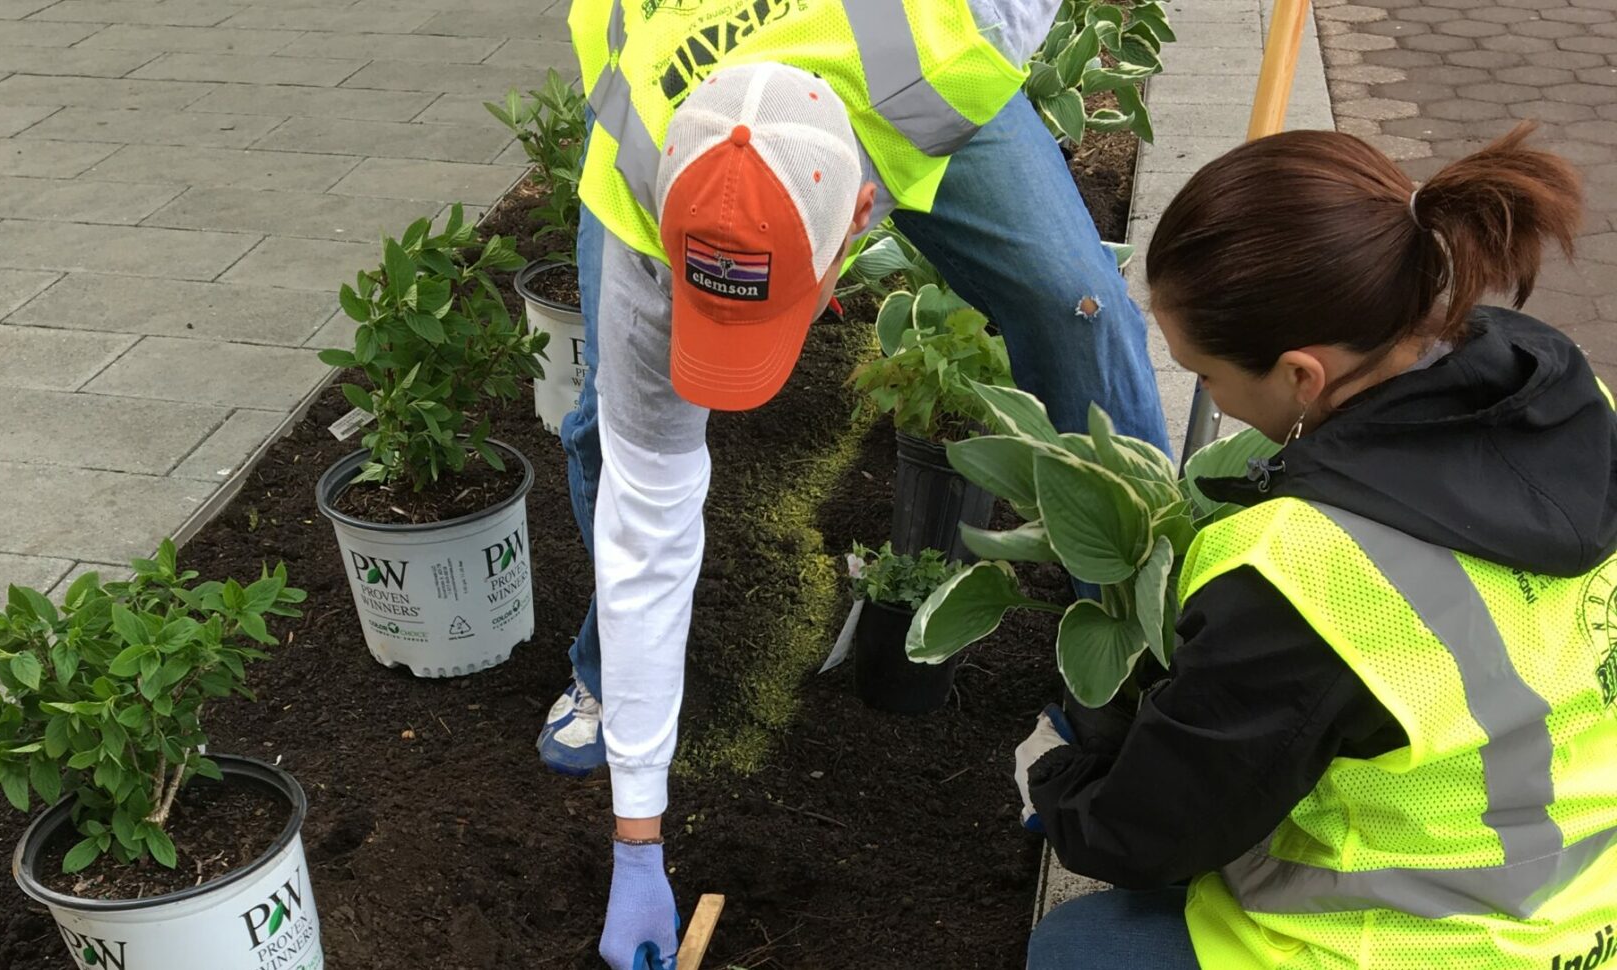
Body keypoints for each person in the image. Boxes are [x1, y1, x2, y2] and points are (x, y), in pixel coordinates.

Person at [542, 2, 1172, 967]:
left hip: (893, 76)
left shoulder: (963, 35)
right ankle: (603, 674)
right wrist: (637, 840)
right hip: (689, 80)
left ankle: (1135, 689)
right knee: (609, 433)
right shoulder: (640, 168)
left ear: (862, 228)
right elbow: (650, 522)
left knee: (1078, 311)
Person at [1017, 122, 1617, 970]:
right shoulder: (1562, 394)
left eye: (1210, 377)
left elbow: (1150, 837)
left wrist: (1055, 778)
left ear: (1303, 376)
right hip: (1594, 891)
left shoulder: (1311, 570)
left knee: (1080, 950)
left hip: (1452, 943)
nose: (1214, 403)